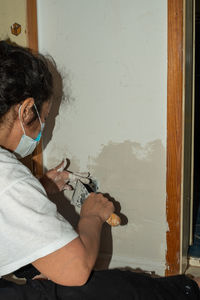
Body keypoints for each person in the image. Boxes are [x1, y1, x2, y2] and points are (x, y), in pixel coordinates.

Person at [0, 40, 199, 300]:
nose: (42, 131)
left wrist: (39, 190)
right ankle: (189, 289)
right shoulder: (9, 179)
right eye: (44, 119)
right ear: (26, 109)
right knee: (105, 287)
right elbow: (77, 271)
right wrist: (91, 218)